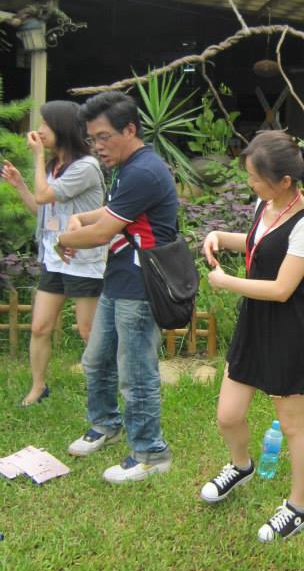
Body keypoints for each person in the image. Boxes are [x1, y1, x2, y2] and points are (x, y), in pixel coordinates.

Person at [200, 131, 304, 542]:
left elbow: (281, 288)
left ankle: (298, 507)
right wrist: (221, 237)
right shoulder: (266, 203)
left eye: (254, 178)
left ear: (284, 181)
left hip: (289, 331)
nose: (249, 184)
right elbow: (258, 245)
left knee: (293, 425)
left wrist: (226, 281)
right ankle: (240, 465)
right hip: (255, 323)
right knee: (228, 414)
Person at [55, 91, 177, 483]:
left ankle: (151, 452)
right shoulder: (129, 166)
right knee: (97, 359)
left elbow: (104, 231)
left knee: (136, 372)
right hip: (120, 278)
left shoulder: (144, 170)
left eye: (104, 136)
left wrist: (65, 238)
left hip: (141, 286)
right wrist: (78, 219)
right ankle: (105, 423)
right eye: (92, 139)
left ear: (130, 129)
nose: (98, 147)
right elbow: (110, 214)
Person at [1, 101, 105, 406]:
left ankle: (101, 391)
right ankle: (38, 386)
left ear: (62, 128)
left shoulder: (86, 167)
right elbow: (42, 210)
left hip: (82, 259)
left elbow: (46, 194)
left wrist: (35, 158)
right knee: (39, 326)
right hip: (54, 257)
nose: (40, 131)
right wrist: (21, 186)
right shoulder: (53, 167)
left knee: (88, 331)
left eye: (46, 124)